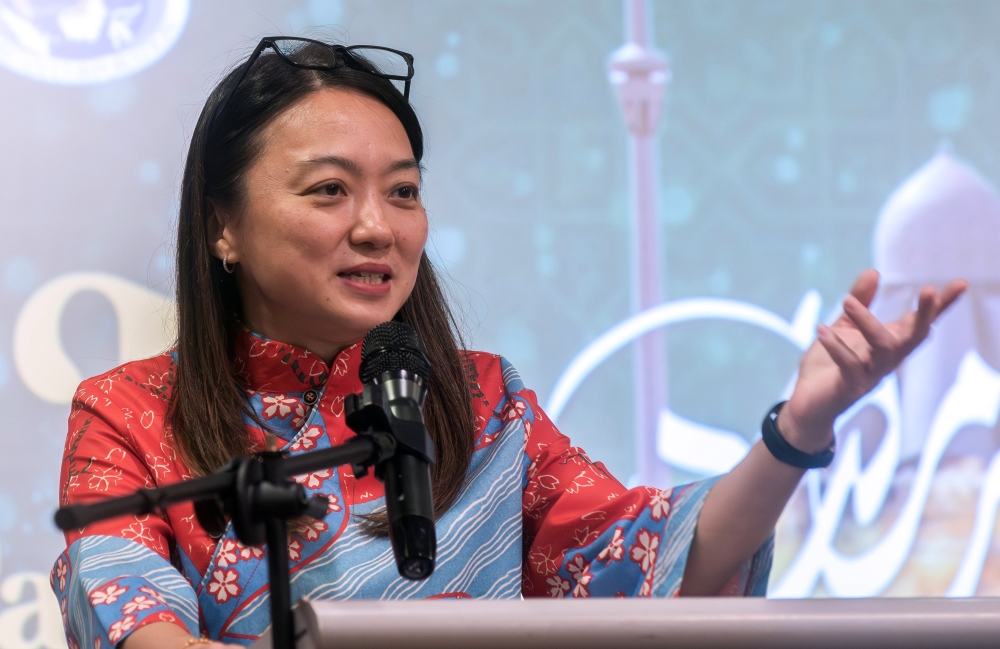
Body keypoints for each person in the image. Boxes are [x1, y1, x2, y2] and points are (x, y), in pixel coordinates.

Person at [50, 38, 966, 649]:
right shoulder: (131, 415)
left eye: (403, 191)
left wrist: (800, 428)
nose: (379, 228)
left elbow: (647, 558)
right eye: (330, 190)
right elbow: (129, 613)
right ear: (223, 226)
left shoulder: (482, 400)